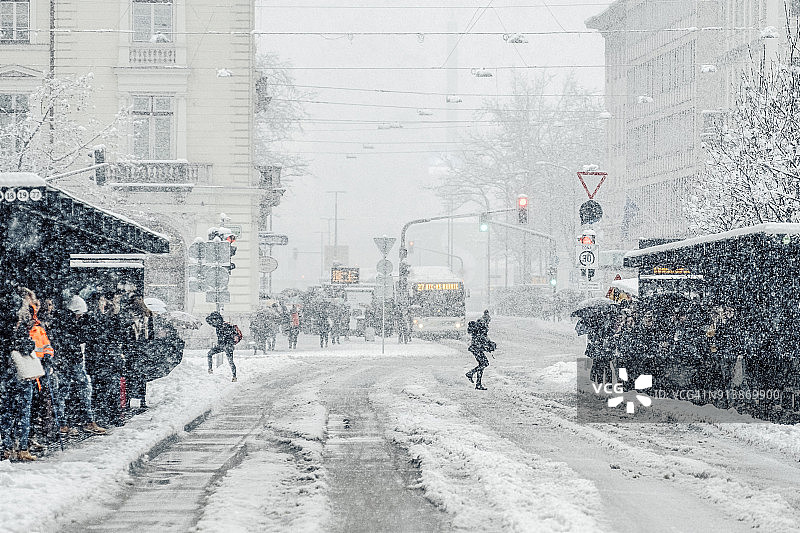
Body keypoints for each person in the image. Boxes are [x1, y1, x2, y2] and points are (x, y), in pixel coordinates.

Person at [49, 295, 107, 436]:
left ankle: (65, 423)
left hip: (67, 360)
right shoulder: (67, 324)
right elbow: (72, 340)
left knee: (65, 391)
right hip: (69, 361)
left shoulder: (64, 322)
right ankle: (80, 421)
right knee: (78, 388)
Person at [0, 286, 39, 461]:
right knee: (23, 409)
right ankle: (22, 448)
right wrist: (28, 344)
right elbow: (24, 344)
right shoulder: (18, 324)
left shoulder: (5, 324)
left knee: (7, 409)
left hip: (6, 372)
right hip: (18, 371)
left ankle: (7, 447)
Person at [85, 290, 126, 427]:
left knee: (111, 388)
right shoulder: (93, 317)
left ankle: (112, 415)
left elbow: (118, 333)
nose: (104, 303)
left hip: (108, 360)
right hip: (100, 359)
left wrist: (115, 315)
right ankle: (105, 416)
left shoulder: (109, 318)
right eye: (101, 301)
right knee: (101, 389)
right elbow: (100, 335)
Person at [206, 311, 238, 381]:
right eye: (213, 319)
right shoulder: (217, 325)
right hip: (223, 345)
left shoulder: (226, 325)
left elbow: (234, 334)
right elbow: (207, 320)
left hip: (227, 345)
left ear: (218, 319)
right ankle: (210, 370)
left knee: (230, 361)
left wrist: (228, 341)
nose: (213, 321)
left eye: (215, 319)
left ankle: (234, 376)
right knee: (209, 354)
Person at [465, 319, 495, 391]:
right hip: (476, 350)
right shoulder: (481, 333)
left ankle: (476, 381)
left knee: (483, 364)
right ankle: (472, 376)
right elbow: (481, 344)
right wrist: (489, 347)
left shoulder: (479, 332)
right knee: (484, 364)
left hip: (476, 350)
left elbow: (482, 343)